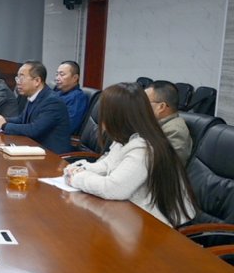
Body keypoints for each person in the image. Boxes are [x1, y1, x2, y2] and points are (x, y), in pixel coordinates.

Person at [64, 82, 197, 227]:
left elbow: (113, 188)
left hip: (159, 225)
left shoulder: (144, 147)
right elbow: (107, 164)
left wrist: (77, 178)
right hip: (133, 213)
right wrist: (80, 169)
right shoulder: (127, 137)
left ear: (116, 116)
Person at [0, 61, 71, 154]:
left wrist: (4, 125)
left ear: (37, 81)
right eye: (17, 78)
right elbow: (22, 119)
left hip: (51, 155)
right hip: (35, 148)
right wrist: (3, 120)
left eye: (21, 78)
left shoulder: (52, 101)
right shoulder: (33, 96)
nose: (18, 83)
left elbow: (34, 129)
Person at [145, 80, 192, 164]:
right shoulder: (156, 123)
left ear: (161, 107)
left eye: (145, 103)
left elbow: (167, 166)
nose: (141, 106)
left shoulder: (175, 131)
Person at [54, 60, 89, 134]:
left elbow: (68, 126)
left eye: (62, 75)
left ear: (75, 78)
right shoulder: (58, 92)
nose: (57, 78)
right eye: (57, 74)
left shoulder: (77, 97)